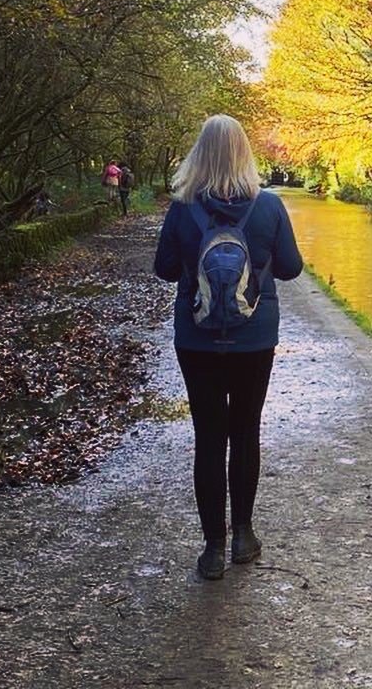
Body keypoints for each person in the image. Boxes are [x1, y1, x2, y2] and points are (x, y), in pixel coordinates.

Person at [153, 115, 303, 580]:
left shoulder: (182, 208)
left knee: (208, 437)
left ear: (200, 153)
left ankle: (212, 551)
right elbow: (292, 269)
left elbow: (163, 269)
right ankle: (244, 536)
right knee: (245, 432)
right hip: (254, 338)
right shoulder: (269, 206)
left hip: (196, 339)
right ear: (244, 153)